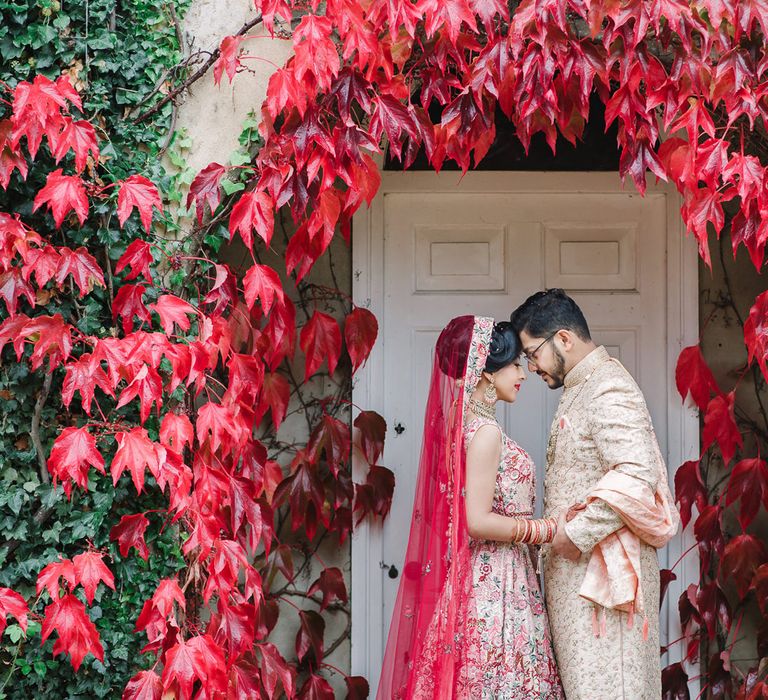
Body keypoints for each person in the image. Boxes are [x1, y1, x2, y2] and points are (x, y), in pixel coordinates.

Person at [377, 315, 564, 700]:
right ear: (484, 372)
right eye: (513, 365)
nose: (522, 374)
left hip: (474, 580)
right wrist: (546, 529)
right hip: (497, 583)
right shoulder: (486, 434)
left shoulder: (460, 428)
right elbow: (476, 521)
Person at [511, 289, 680, 700]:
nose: (530, 366)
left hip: (604, 588)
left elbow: (637, 473)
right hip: (582, 586)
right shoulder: (581, 385)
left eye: (533, 353)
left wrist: (575, 532)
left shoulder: (608, 388)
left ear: (564, 339)